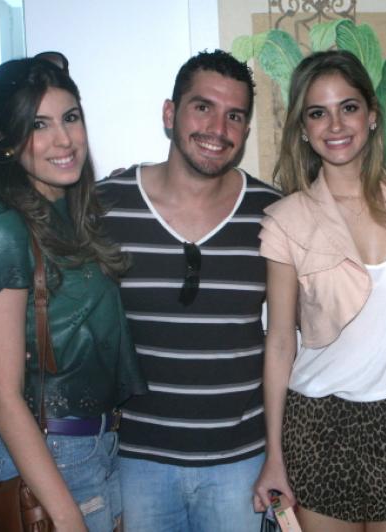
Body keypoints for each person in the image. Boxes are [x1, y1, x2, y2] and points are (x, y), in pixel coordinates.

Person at [252, 50, 386, 531]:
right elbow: (280, 342)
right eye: (318, 112)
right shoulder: (286, 221)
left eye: (348, 107)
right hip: (317, 425)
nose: (335, 125)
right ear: (302, 128)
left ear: (372, 115)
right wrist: (274, 454)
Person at [95, 50, 281, 531]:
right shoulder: (105, 205)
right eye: (203, 107)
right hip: (136, 460)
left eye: (234, 116)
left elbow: (296, 333)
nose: (218, 128)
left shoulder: (273, 213)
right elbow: (58, 306)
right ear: (169, 113)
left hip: (240, 461)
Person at [0, 52, 146, 532]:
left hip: (93, 448)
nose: (63, 139)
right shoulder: (1, 224)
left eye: (70, 117)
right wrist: (67, 517)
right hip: (47, 459)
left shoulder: (72, 211)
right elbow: (3, 395)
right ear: (5, 140)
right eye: (38, 125)